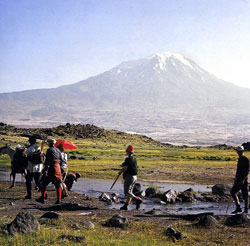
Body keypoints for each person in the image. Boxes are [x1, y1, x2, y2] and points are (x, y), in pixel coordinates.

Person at [36, 138, 62, 204]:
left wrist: (44, 169)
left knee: (44, 183)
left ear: (49, 143)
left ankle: (43, 197)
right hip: (58, 168)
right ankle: (59, 199)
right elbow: (60, 159)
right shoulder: (58, 150)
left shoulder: (49, 150)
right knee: (58, 184)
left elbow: (48, 161)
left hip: (51, 169)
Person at [119, 145, 142, 210]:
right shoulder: (134, 158)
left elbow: (125, 168)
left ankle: (137, 199)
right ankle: (126, 205)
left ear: (127, 151)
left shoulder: (127, 159)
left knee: (127, 192)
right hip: (135, 177)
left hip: (130, 177)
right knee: (130, 191)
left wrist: (120, 172)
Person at [230, 146, 249, 214]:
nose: (238, 152)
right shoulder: (240, 159)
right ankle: (238, 207)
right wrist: (236, 178)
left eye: (240, 151)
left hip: (244, 180)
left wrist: (243, 179)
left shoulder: (246, 159)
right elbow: (238, 170)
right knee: (232, 192)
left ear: (243, 151)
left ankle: (246, 209)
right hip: (238, 179)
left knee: (245, 195)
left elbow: (247, 171)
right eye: (238, 151)